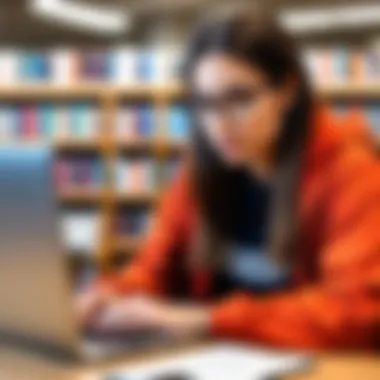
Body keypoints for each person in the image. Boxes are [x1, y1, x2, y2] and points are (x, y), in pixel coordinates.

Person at [77, 10, 380, 349]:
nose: (218, 124)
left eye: (238, 98)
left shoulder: (351, 173)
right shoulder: (199, 172)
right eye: (204, 103)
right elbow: (155, 267)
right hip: (216, 360)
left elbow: (357, 313)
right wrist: (109, 296)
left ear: (288, 92)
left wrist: (206, 319)